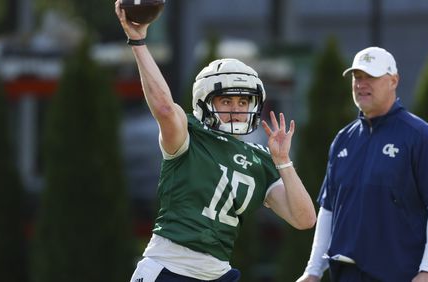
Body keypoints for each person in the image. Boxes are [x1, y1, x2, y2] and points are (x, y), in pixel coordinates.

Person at [114, 2, 316, 281]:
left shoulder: (260, 158)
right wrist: (138, 42)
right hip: (169, 268)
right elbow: (163, 108)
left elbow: (304, 219)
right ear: (204, 102)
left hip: (218, 273)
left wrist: (284, 162)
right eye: (226, 100)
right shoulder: (189, 135)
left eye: (243, 100)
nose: (236, 107)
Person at [296, 47, 428, 282]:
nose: (361, 84)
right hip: (345, 275)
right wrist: (313, 270)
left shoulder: (419, 135)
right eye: (357, 77)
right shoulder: (343, 138)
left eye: (370, 77)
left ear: (394, 81)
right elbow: (329, 209)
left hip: (400, 275)